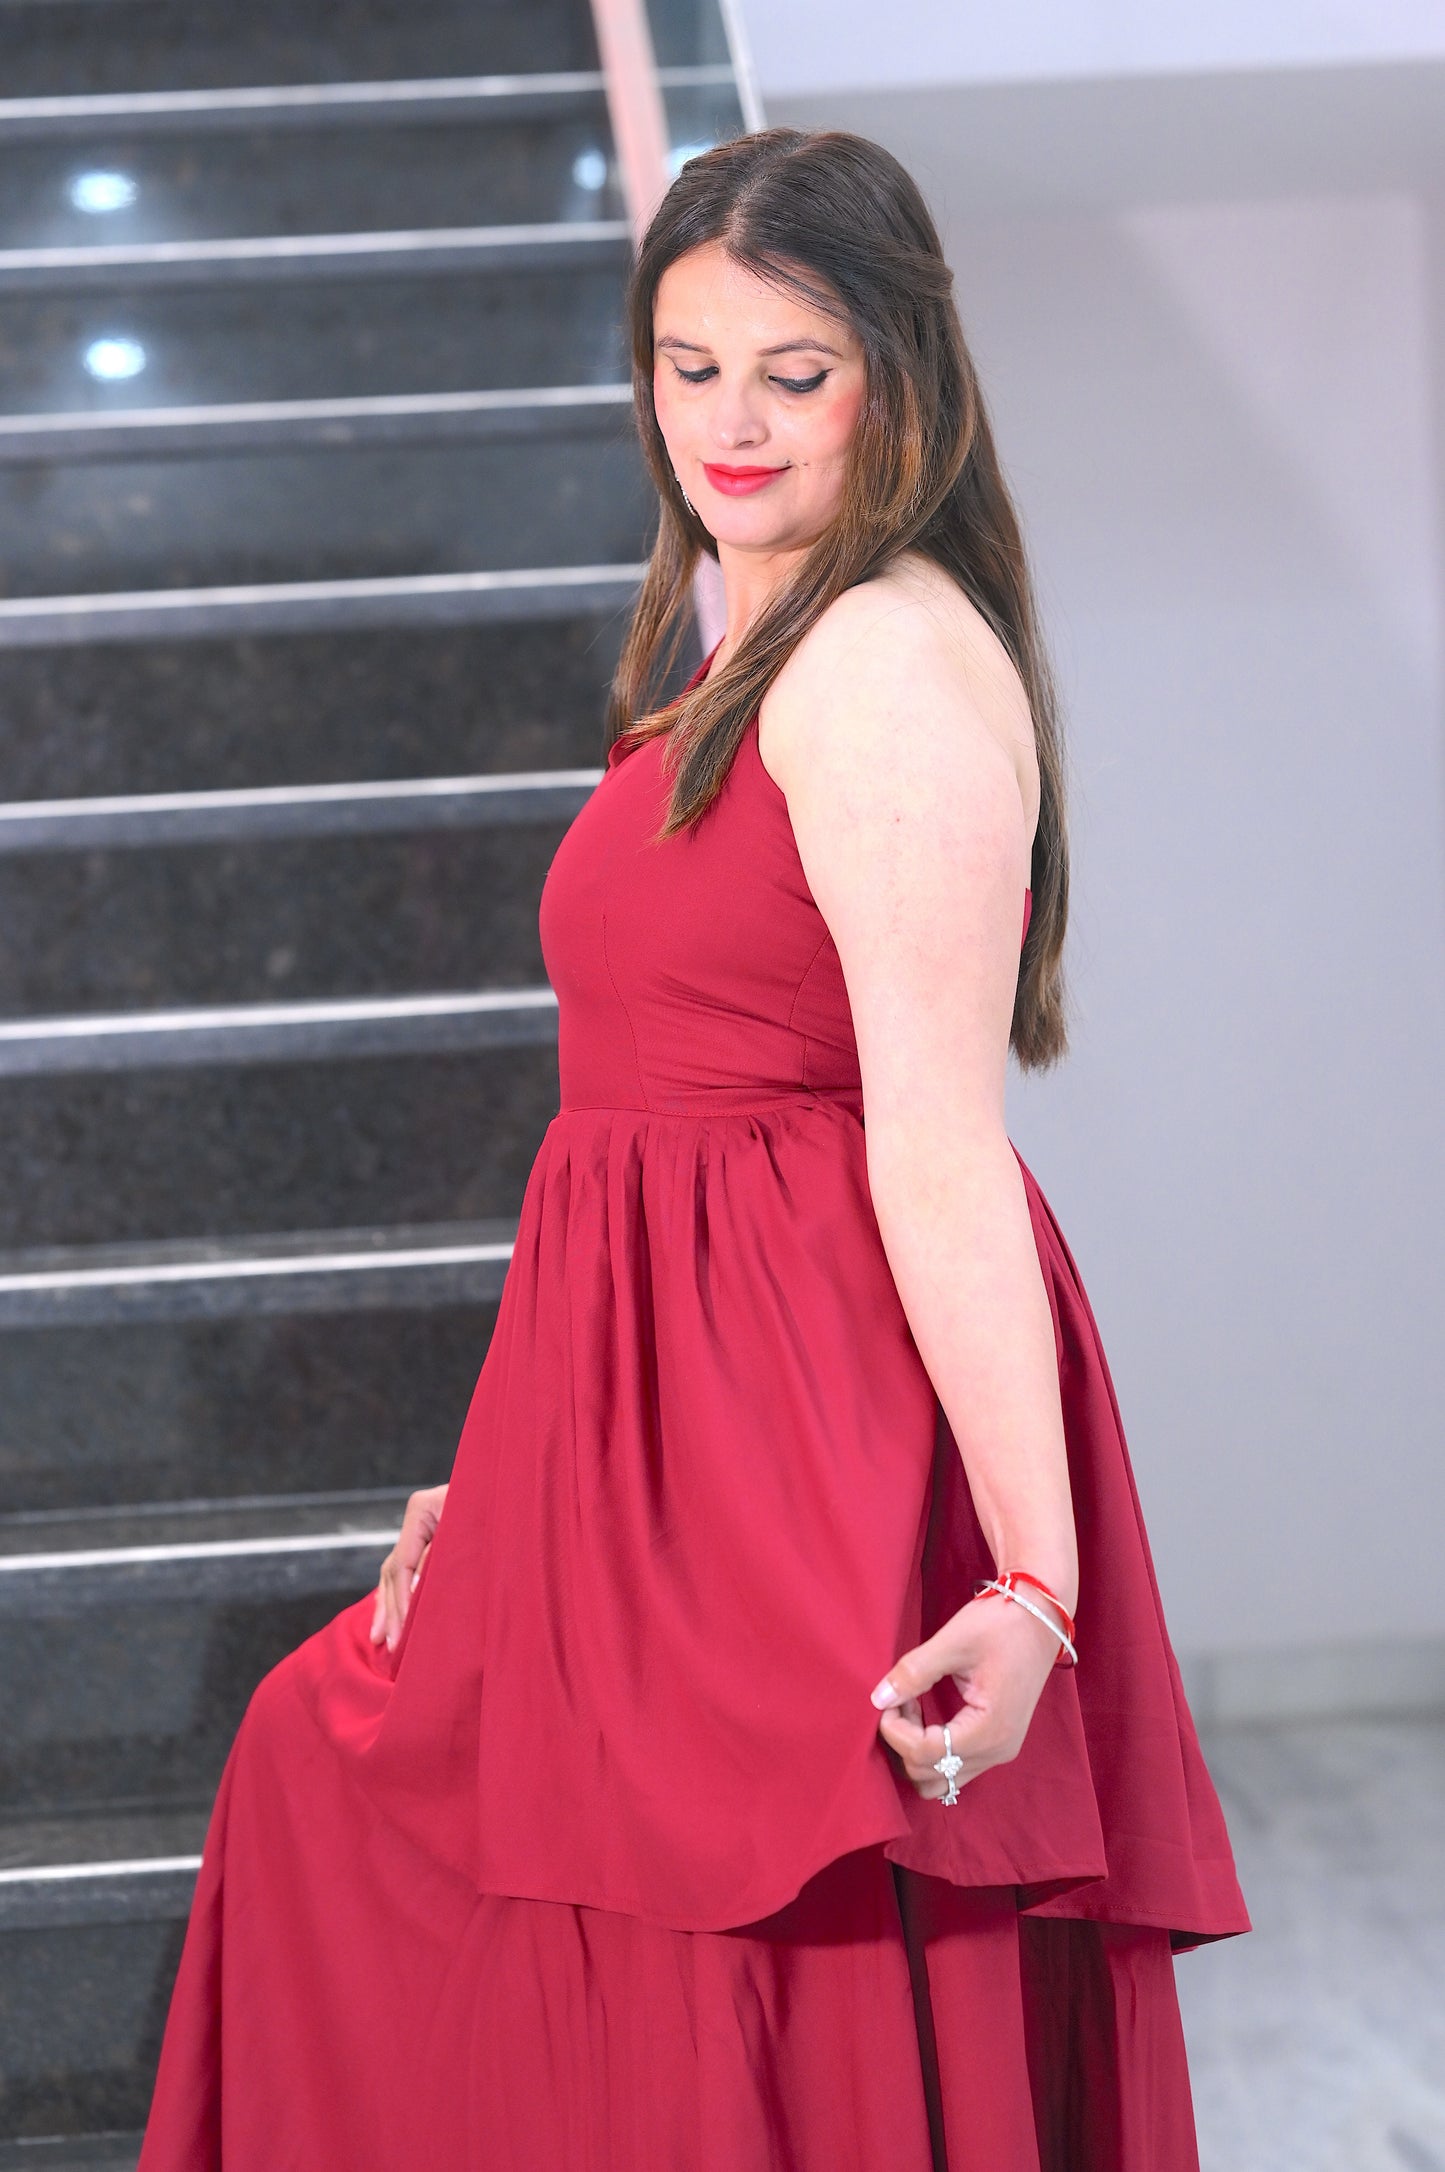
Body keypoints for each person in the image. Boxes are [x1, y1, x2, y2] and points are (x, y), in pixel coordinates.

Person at [138, 127, 1248, 2172]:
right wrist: (521, 1469)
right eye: (688, 362)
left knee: (762, 1935)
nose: (728, 421)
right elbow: (632, 1132)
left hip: (801, 1423)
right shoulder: (747, 643)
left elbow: (931, 1145)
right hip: (662, 1409)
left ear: (897, 381)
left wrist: (1034, 1585)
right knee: (399, 1798)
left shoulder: (887, 666)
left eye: (793, 371)